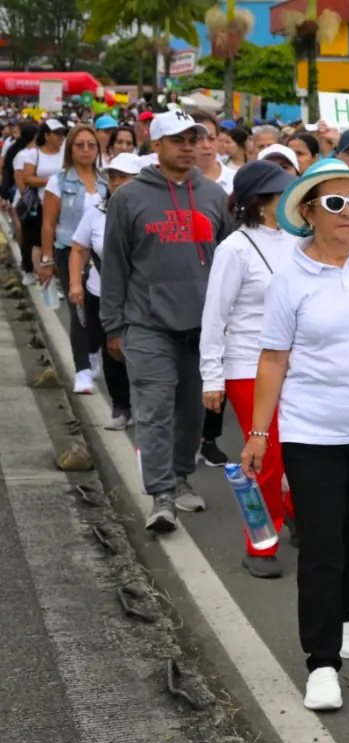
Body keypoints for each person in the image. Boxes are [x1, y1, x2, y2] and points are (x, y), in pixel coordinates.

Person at [242, 158, 349, 711]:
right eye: (337, 203)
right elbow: (273, 359)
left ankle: (341, 618)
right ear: (310, 212)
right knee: (321, 545)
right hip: (312, 430)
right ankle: (321, 661)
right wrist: (258, 434)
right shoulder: (289, 278)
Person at [101, 109, 235, 533]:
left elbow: (231, 260)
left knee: (192, 413)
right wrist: (113, 325)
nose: (189, 147)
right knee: (155, 409)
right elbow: (115, 266)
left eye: (193, 139)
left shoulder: (214, 196)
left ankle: (179, 477)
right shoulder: (129, 198)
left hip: (203, 328)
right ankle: (160, 495)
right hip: (147, 324)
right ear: (155, 146)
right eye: (178, 140)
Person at [200, 161, 299, 579]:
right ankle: (261, 540)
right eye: (283, 195)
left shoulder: (301, 242)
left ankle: (296, 514)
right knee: (268, 454)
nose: (292, 202)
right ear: (260, 202)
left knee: (302, 449)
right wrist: (211, 376)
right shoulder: (235, 249)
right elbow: (214, 315)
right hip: (247, 365)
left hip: (299, 364)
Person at [68, 152, 139, 430]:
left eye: (125, 177)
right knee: (114, 350)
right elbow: (78, 248)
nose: (117, 183)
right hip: (103, 294)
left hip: (143, 296)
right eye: (113, 177)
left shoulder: (152, 213)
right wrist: (75, 284)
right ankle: (122, 406)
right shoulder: (97, 212)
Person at [38, 124, 105, 395]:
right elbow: (48, 224)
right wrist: (46, 259)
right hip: (68, 251)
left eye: (91, 145)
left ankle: (92, 350)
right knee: (79, 311)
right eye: (80, 145)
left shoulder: (105, 180)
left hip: (100, 255)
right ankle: (82, 371)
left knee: (100, 312)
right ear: (71, 149)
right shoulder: (59, 180)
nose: (86, 150)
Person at [15, 118, 67, 283]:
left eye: (63, 134)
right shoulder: (34, 153)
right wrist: (51, 181)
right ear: (46, 135)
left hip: (65, 204)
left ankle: (59, 275)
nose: (61, 137)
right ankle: (42, 277)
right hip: (41, 204)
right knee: (39, 242)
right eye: (57, 134)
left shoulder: (66, 153)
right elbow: (27, 179)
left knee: (60, 240)